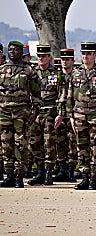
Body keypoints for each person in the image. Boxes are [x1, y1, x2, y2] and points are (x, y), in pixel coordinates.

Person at [66, 42, 96, 190]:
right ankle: (84, 177)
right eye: (83, 54)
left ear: (94, 55)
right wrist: (71, 116)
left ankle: (93, 178)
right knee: (81, 146)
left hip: (95, 115)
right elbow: (69, 96)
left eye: (88, 54)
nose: (85, 56)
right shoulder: (76, 72)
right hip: (79, 115)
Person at [0, 41, 42, 188]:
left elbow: (37, 93)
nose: (12, 52)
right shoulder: (2, 69)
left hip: (21, 113)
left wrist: (35, 111)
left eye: (16, 50)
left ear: (21, 52)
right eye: (10, 49)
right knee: (6, 144)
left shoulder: (29, 71)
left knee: (21, 144)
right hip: (4, 113)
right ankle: (9, 175)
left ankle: (19, 176)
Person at [27, 44, 59, 186]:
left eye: (43, 56)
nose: (40, 58)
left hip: (50, 113)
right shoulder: (31, 72)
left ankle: (48, 173)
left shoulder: (56, 73)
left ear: (49, 57)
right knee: (34, 143)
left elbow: (62, 94)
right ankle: (39, 171)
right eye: (39, 56)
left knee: (49, 144)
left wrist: (60, 113)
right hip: (35, 113)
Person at [54, 48, 78, 182]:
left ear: (73, 61)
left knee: (72, 142)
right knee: (59, 141)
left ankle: (71, 170)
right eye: (63, 59)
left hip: (73, 114)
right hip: (58, 114)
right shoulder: (56, 75)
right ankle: (61, 168)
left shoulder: (76, 75)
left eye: (67, 60)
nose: (65, 62)